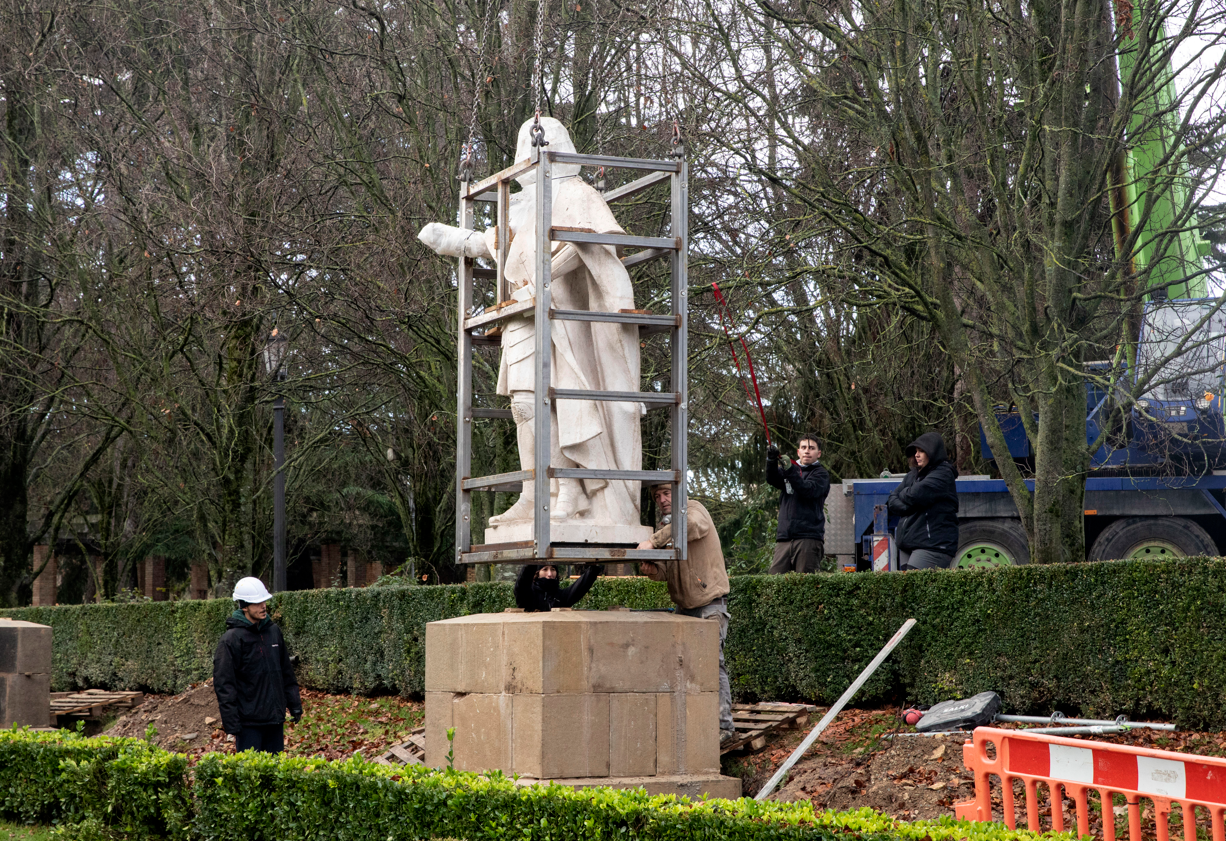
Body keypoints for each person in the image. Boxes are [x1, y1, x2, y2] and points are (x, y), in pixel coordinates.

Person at [418, 116, 643, 530]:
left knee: (564, 400)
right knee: (524, 406)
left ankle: (572, 489)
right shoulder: (519, 202)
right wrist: (449, 238)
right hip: (520, 315)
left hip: (562, 316)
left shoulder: (577, 192)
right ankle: (534, 491)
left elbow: (590, 242)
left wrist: (545, 275)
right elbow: (492, 243)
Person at [635, 484, 735, 744]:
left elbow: (690, 526)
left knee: (713, 665)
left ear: (679, 494)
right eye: (657, 496)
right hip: (684, 609)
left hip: (709, 605)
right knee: (684, 669)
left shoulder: (694, 510)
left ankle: (724, 729)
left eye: (667, 494)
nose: (662, 500)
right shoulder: (666, 528)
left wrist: (654, 542)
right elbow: (668, 572)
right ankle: (695, 727)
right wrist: (652, 569)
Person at [213, 576, 302, 754]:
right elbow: (224, 684)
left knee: (275, 774)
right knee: (251, 777)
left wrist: (294, 705)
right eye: (257, 603)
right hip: (248, 725)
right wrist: (232, 724)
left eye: (264, 601)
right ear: (244, 606)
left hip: (275, 720)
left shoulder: (273, 632)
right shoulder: (231, 640)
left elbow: (285, 671)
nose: (263, 606)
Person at [887, 431, 960, 570]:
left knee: (915, 587)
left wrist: (906, 498)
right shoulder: (913, 474)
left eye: (922, 451)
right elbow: (892, 500)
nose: (917, 454)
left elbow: (914, 495)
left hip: (932, 545)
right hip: (908, 544)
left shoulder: (943, 474)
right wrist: (911, 506)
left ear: (933, 452)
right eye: (915, 451)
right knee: (907, 589)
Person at [766, 435, 831, 574]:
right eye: (804, 447)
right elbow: (772, 478)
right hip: (784, 539)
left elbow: (806, 489)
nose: (807, 451)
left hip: (808, 539)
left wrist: (789, 470)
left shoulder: (821, 474)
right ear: (798, 452)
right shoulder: (790, 470)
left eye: (811, 448)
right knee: (774, 584)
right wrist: (771, 460)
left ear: (818, 453)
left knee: (805, 588)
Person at [514, 563, 601, 612]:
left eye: (553, 569)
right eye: (545, 569)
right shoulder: (528, 594)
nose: (550, 574)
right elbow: (522, 584)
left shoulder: (561, 596)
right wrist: (532, 562)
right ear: (536, 573)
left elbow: (581, 586)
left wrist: (594, 569)